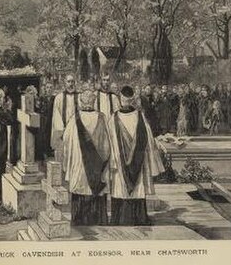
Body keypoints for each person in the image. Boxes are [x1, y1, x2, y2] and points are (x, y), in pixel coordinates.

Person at [108, 86, 165, 226]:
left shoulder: (113, 118)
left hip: (119, 162)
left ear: (122, 99)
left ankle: (119, 219)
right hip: (138, 164)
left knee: (120, 189)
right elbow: (149, 140)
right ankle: (138, 218)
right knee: (137, 188)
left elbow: (109, 141)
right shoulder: (140, 117)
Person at [63, 90, 111, 226]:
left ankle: (79, 220)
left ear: (81, 102)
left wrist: (68, 162)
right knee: (97, 189)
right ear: (94, 102)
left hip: (79, 165)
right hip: (98, 167)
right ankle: (98, 220)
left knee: (80, 187)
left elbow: (66, 141)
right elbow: (108, 145)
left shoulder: (74, 119)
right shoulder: (102, 118)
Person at [51, 74, 79, 163]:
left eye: (72, 82)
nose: (71, 84)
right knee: (63, 157)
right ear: (64, 83)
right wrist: (62, 130)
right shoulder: (59, 98)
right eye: (69, 81)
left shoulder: (79, 97)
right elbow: (56, 115)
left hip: (76, 131)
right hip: (63, 131)